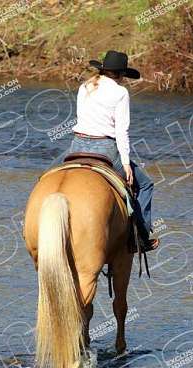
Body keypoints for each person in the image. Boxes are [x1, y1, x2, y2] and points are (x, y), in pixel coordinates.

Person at [54, 50, 159, 252]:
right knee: (145, 185)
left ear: (103, 69)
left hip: (77, 145)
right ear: (121, 75)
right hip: (105, 149)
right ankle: (142, 237)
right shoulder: (121, 93)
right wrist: (126, 163)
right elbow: (121, 130)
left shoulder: (85, 86)